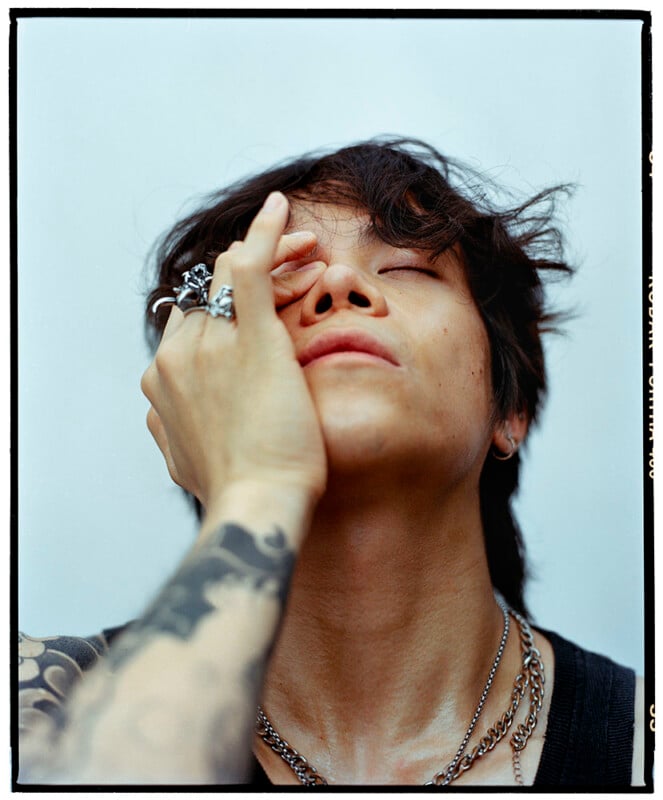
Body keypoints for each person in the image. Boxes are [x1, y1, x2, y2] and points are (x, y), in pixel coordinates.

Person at [18, 138, 643, 786]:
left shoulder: (637, 747)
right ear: (198, 397)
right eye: (279, 284)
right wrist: (259, 487)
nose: (340, 283)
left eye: (405, 267)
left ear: (507, 408)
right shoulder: (31, 707)